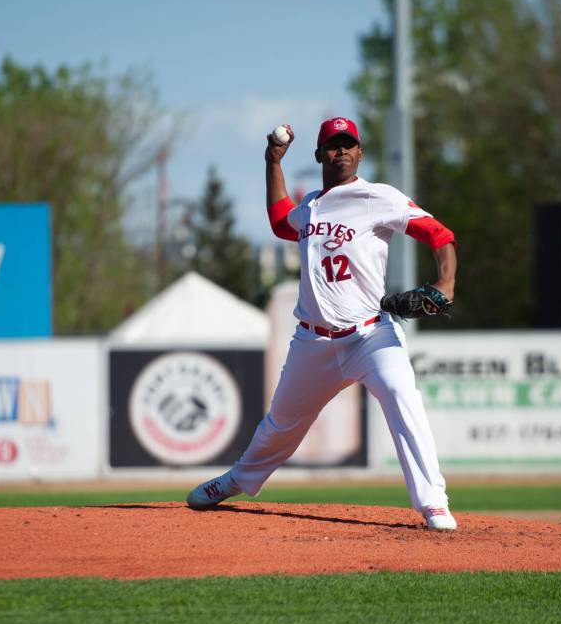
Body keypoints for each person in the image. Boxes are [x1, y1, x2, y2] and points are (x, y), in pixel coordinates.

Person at [186, 117, 458, 531]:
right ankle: (237, 480)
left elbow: (440, 235)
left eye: (349, 144)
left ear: (360, 153)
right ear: (319, 155)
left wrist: (446, 284)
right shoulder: (310, 204)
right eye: (333, 145)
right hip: (312, 342)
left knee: (405, 400)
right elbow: (281, 221)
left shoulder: (376, 196)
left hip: (371, 335)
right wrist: (272, 162)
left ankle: (433, 503)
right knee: (280, 425)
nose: (341, 151)